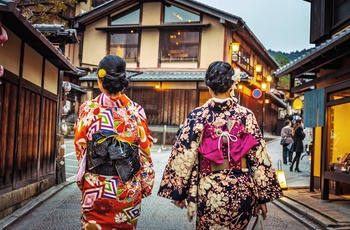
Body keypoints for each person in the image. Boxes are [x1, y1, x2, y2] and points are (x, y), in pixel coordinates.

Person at [157, 61, 283, 229]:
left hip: (209, 192)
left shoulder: (198, 115)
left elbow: (184, 154)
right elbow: (259, 156)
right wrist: (263, 197)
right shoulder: (246, 115)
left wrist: (178, 192)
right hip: (242, 191)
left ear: (208, 86)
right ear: (232, 85)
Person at [74, 54, 155, 229]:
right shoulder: (136, 111)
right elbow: (144, 150)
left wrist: (84, 180)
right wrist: (145, 185)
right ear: (123, 80)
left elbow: (81, 148)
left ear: (99, 79)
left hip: (96, 188)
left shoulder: (88, 109)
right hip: (127, 189)